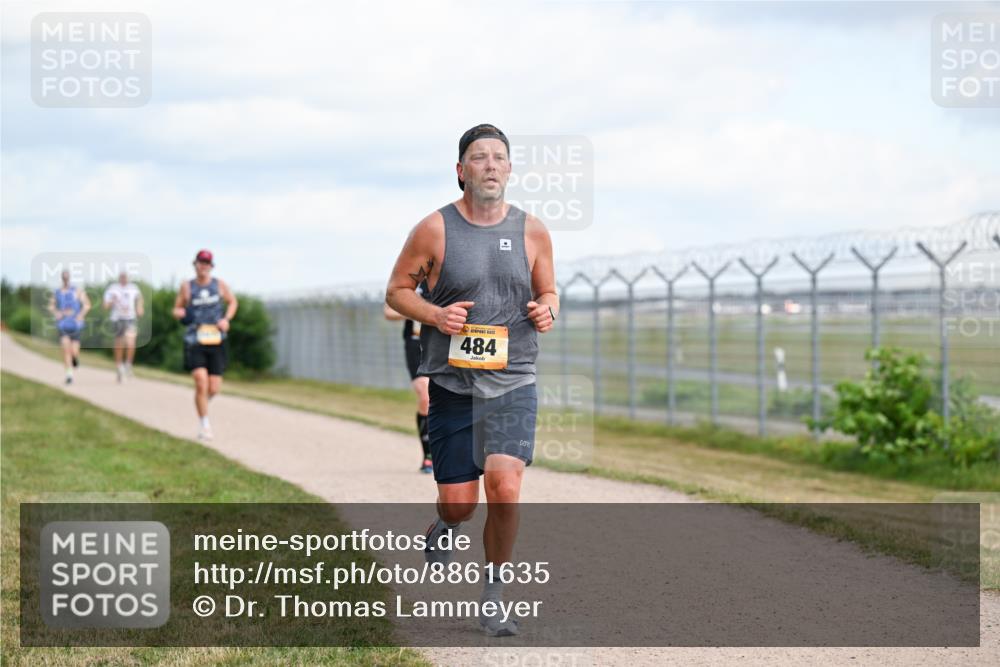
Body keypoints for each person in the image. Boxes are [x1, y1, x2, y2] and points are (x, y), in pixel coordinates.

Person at [385, 124, 558, 637]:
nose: (489, 164)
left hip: (513, 381)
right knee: (459, 504)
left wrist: (546, 310)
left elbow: (549, 292)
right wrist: (436, 318)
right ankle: (443, 525)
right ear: (461, 171)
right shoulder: (434, 229)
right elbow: (397, 291)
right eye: (478, 158)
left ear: (508, 169)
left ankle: (494, 595)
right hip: (454, 386)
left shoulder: (533, 230)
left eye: (498, 157)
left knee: (505, 487)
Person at [172, 250, 238, 440]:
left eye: (207, 263)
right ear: (195, 264)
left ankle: (202, 404)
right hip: (195, 339)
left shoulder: (220, 285)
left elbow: (233, 302)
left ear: (211, 266)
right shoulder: (187, 287)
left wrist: (227, 319)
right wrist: (181, 314)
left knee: (214, 388)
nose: (203, 266)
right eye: (201, 262)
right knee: (201, 382)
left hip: (216, 340)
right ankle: (205, 425)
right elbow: (177, 308)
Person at [384, 283, 434, 473]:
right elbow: (389, 312)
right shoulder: (411, 280)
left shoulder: (448, 273)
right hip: (416, 344)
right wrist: (417, 310)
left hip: (443, 343)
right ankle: (428, 456)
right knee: (425, 395)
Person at [47, 270, 91, 384]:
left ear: (69, 278)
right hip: (63, 325)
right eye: (64, 278)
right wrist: (56, 313)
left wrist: (81, 315)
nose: (65, 280)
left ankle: (75, 359)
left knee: (74, 351)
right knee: (66, 349)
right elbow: (51, 306)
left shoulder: (77, 290)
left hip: (76, 325)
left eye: (67, 277)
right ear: (62, 278)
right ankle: (69, 375)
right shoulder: (57, 292)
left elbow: (87, 304)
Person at [103, 271, 144, 383]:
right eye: (122, 277)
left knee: (131, 342)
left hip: (130, 318)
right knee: (119, 344)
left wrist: (139, 307)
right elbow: (105, 305)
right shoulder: (112, 288)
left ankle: (128, 364)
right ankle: (119, 366)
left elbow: (139, 298)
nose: (124, 279)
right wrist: (112, 301)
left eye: (126, 277)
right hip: (117, 319)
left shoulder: (133, 288)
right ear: (119, 278)